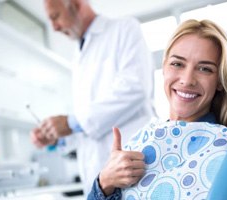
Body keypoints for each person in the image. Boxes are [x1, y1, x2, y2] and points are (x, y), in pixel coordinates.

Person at [87, 19, 227, 199]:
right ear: (164, 67)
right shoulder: (143, 140)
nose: (187, 80)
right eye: (177, 64)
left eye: (204, 69)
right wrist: (104, 182)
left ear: (219, 81)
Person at [30, 0, 155, 195]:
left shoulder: (123, 28)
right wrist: (57, 137)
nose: (54, 28)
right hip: (98, 179)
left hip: (131, 168)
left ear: (77, 5)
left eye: (55, 17)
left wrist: (71, 122)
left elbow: (135, 87)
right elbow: (89, 124)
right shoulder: (78, 56)